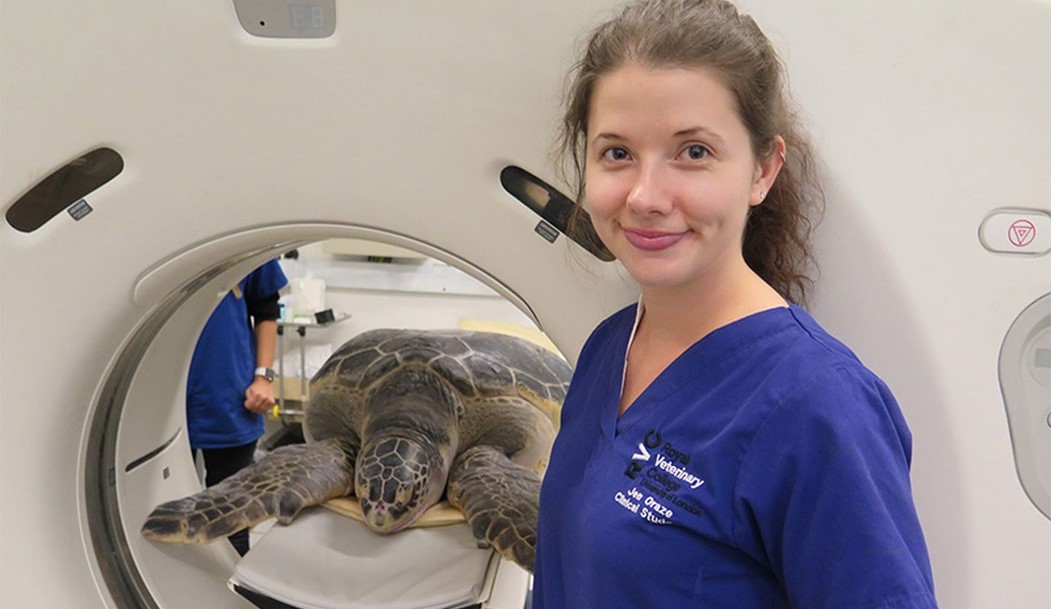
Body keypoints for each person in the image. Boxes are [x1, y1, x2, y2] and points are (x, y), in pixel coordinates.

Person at [532, 1, 939, 607]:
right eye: (617, 153)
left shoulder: (818, 406)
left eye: (693, 152)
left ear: (762, 171)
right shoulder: (608, 348)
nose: (645, 196)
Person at [186, 259, 288, 556]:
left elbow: (266, 310)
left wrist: (263, 378)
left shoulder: (243, 247)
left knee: (231, 522)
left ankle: (229, 582)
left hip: (229, 396)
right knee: (168, 509)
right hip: (164, 397)